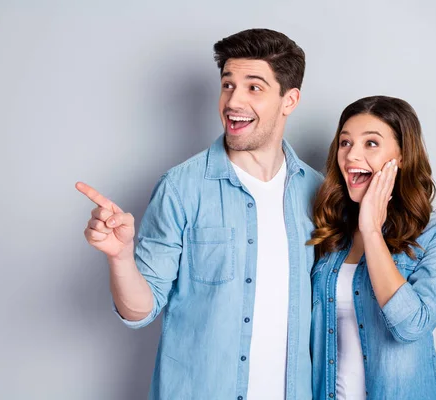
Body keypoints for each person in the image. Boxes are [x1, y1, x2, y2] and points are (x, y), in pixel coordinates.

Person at [76, 28, 322, 399]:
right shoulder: (180, 188)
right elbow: (139, 310)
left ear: (289, 100)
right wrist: (120, 257)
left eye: (253, 87)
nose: (233, 100)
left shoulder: (317, 193)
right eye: (227, 85)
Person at [308, 95, 436, 399]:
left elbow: (410, 327)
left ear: (402, 156)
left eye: (371, 143)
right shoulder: (329, 230)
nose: (352, 155)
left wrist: (371, 231)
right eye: (345, 143)